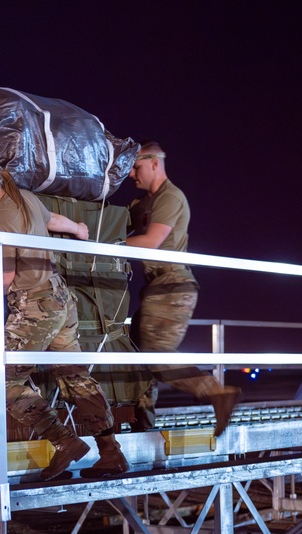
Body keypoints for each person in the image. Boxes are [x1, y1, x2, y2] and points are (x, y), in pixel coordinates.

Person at [0, 155, 129, 480]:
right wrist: (78, 229)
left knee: (3, 380)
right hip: (60, 299)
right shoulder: (25, 197)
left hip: (34, 306)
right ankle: (111, 453)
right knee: (75, 375)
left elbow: (2, 278)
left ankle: (65, 442)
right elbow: (52, 219)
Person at [125, 141, 240, 436]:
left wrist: (100, 246)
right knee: (134, 349)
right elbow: (112, 225)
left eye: (136, 167)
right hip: (155, 288)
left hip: (172, 285)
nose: (130, 175)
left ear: (154, 163)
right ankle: (142, 418)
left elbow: (151, 242)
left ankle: (217, 392)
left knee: (156, 353)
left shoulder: (171, 198)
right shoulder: (139, 205)